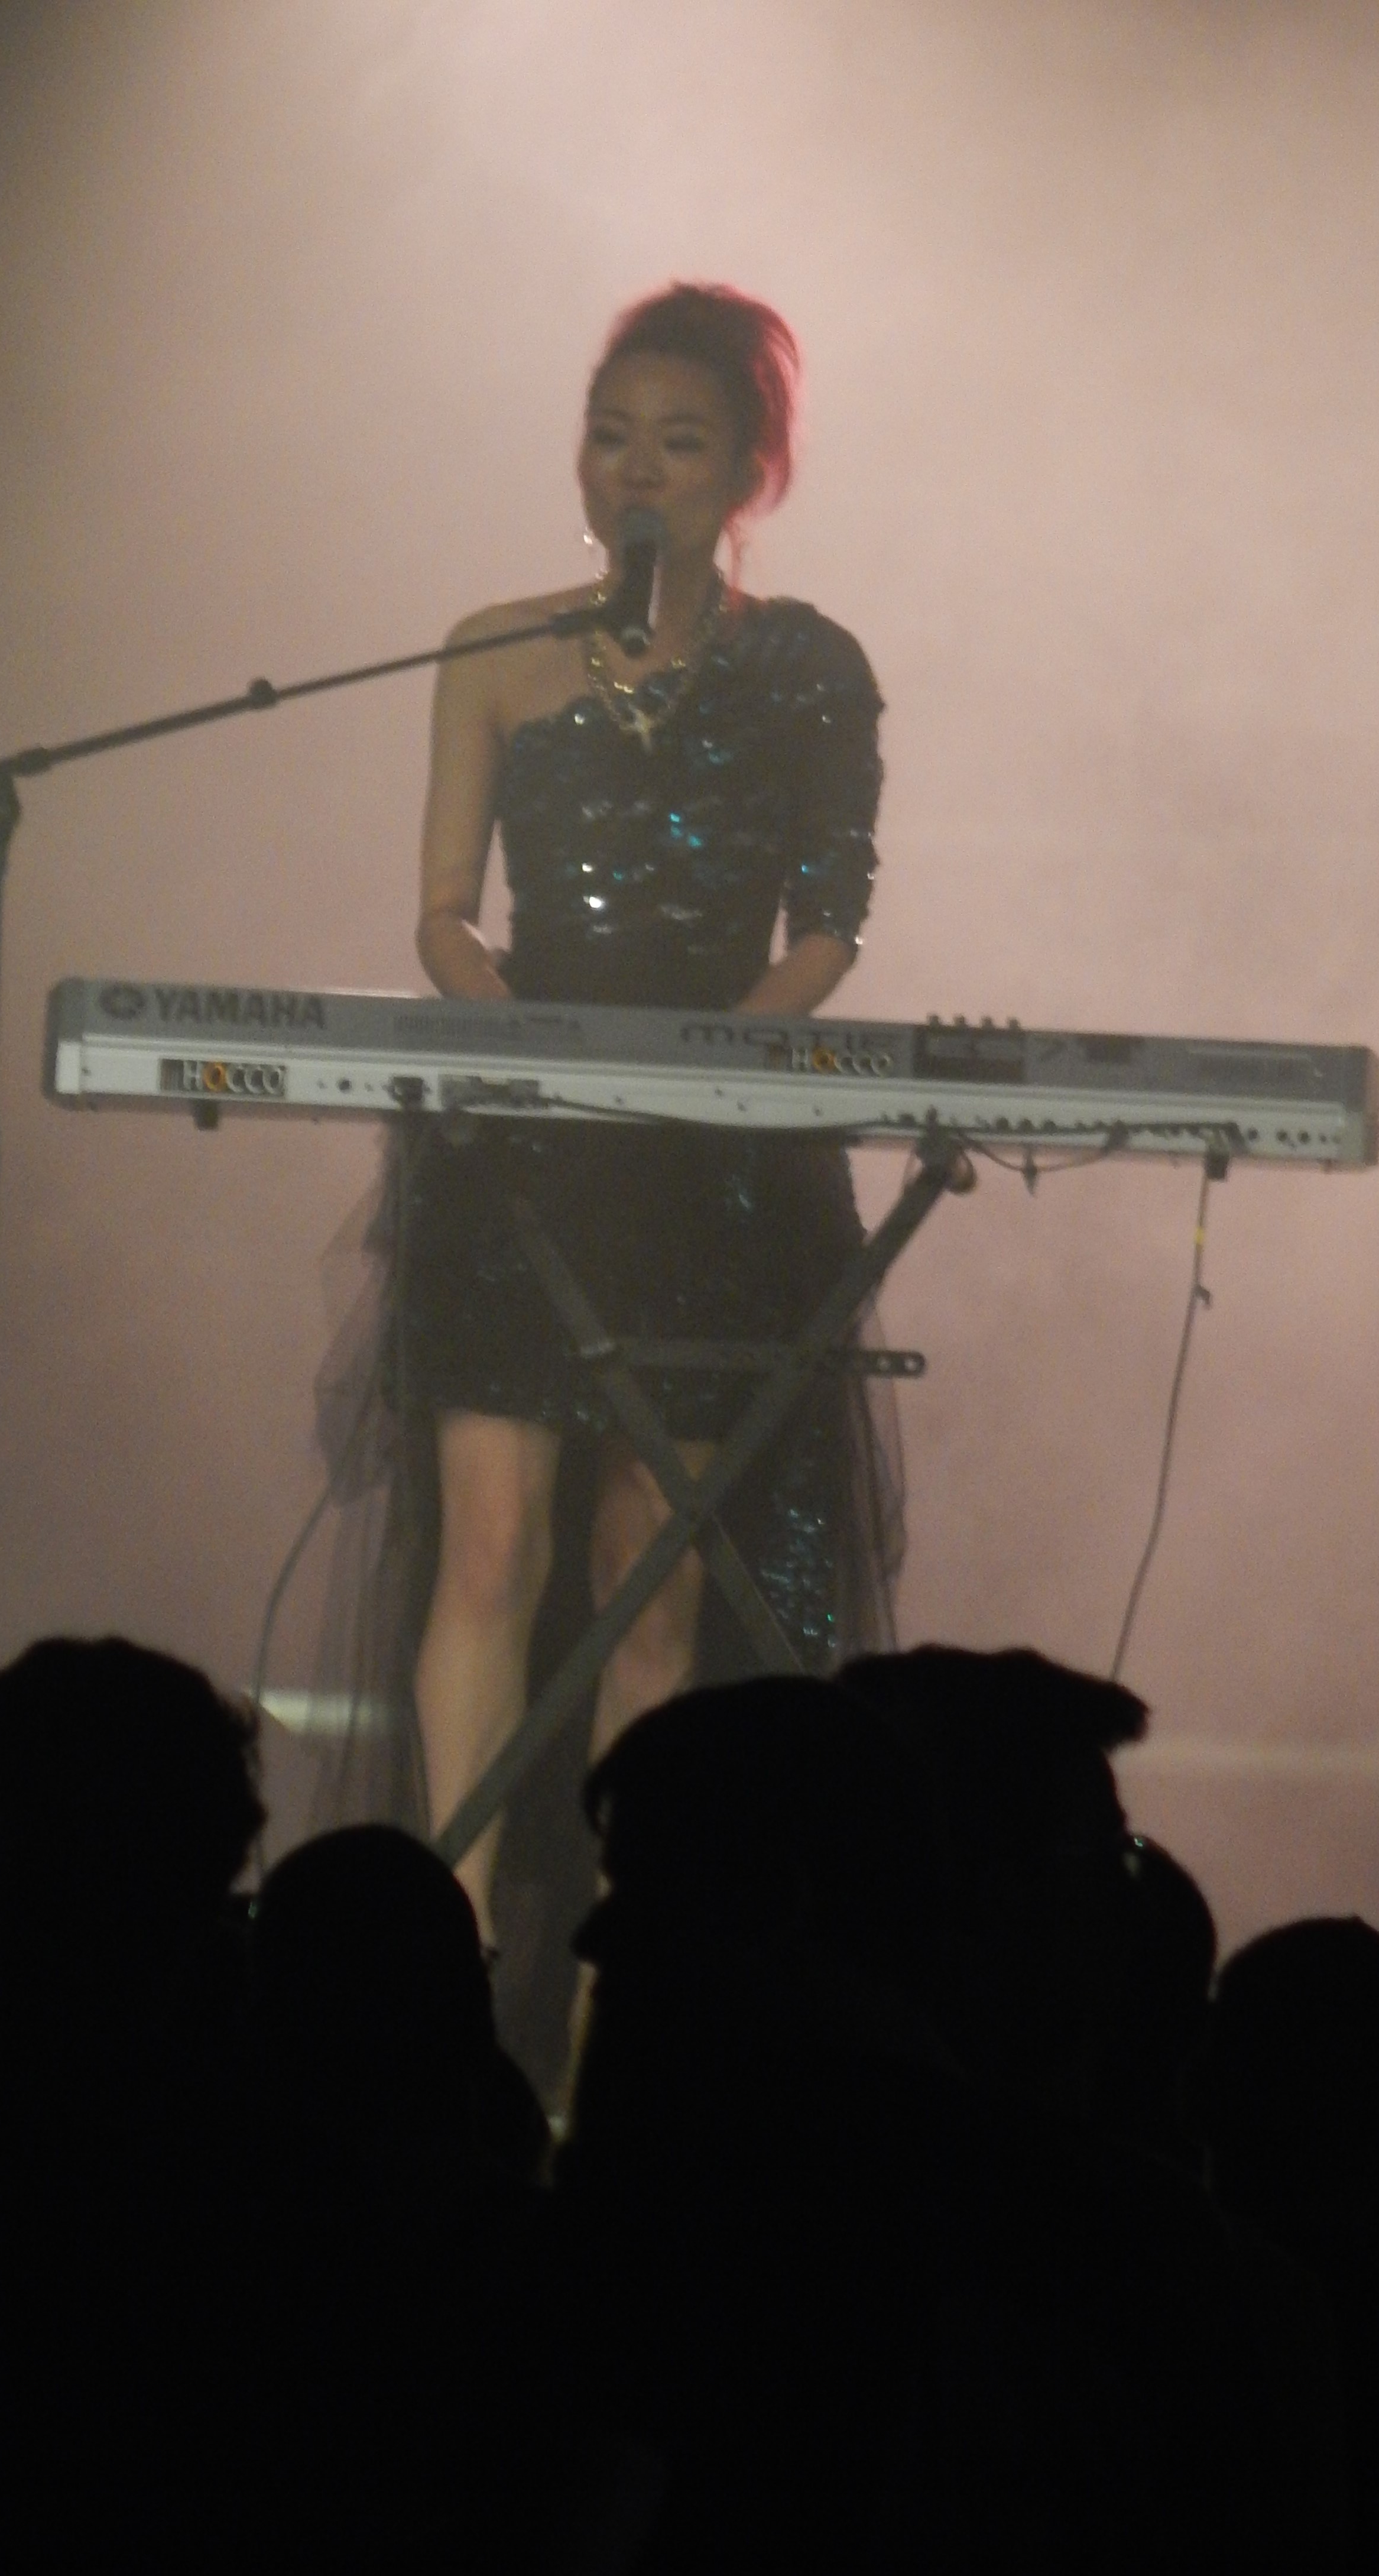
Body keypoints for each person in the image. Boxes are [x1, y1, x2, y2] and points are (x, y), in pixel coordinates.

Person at [371, 283, 896, 1945]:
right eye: (611, 438)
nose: (636, 472)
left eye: (679, 442)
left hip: (717, 1160)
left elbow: (830, 924)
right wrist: (517, 1039)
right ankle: (446, 1948)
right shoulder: (494, 648)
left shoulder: (809, 667)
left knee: (650, 1572)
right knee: (489, 1547)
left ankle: (626, 1988)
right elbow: (443, 914)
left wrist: (709, 1068)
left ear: (751, 471)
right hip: (527, 1146)